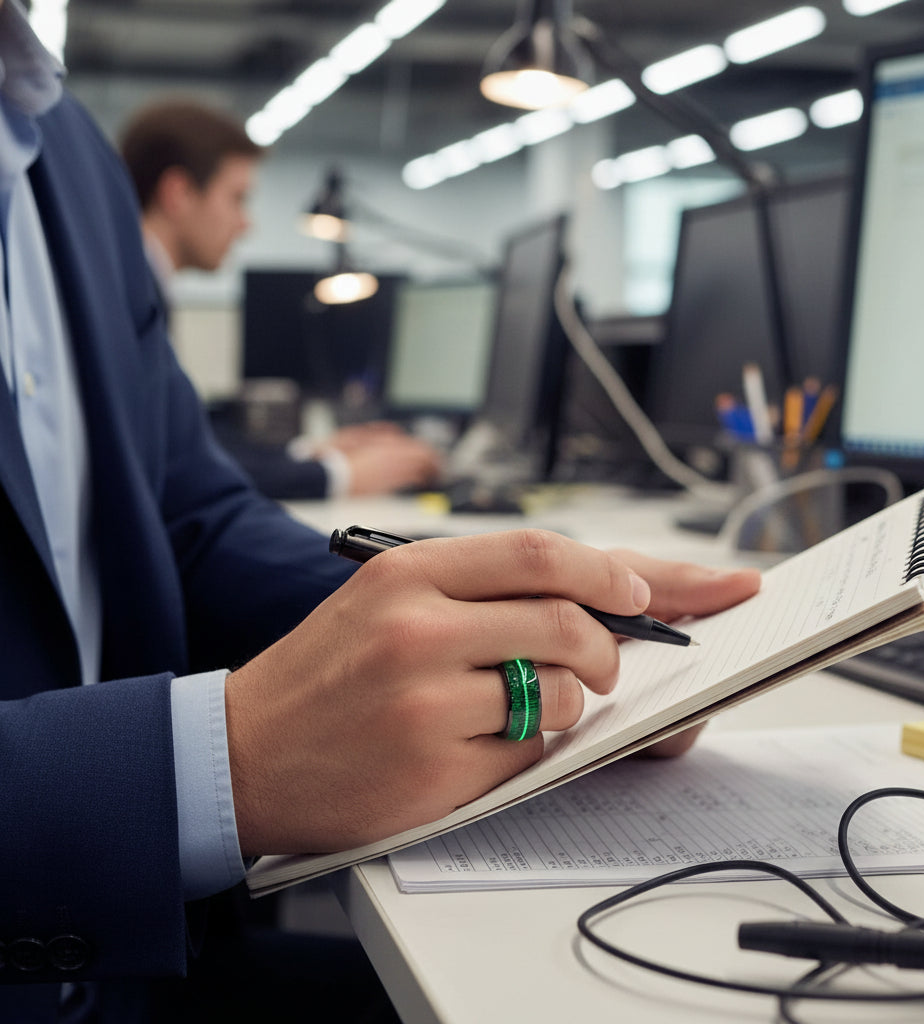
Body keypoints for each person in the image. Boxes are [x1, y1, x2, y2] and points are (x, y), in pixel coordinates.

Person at [0, 3, 762, 1021]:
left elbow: (191, 515)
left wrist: (481, 605)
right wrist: (217, 765)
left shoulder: (63, 145)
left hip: (137, 959)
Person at [118, 97, 442, 501]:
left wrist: (307, 452)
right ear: (179, 193)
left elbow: (188, 439)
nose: (246, 224)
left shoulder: (138, 284)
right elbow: (176, 470)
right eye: (237, 198)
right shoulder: (127, 298)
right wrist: (335, 476)